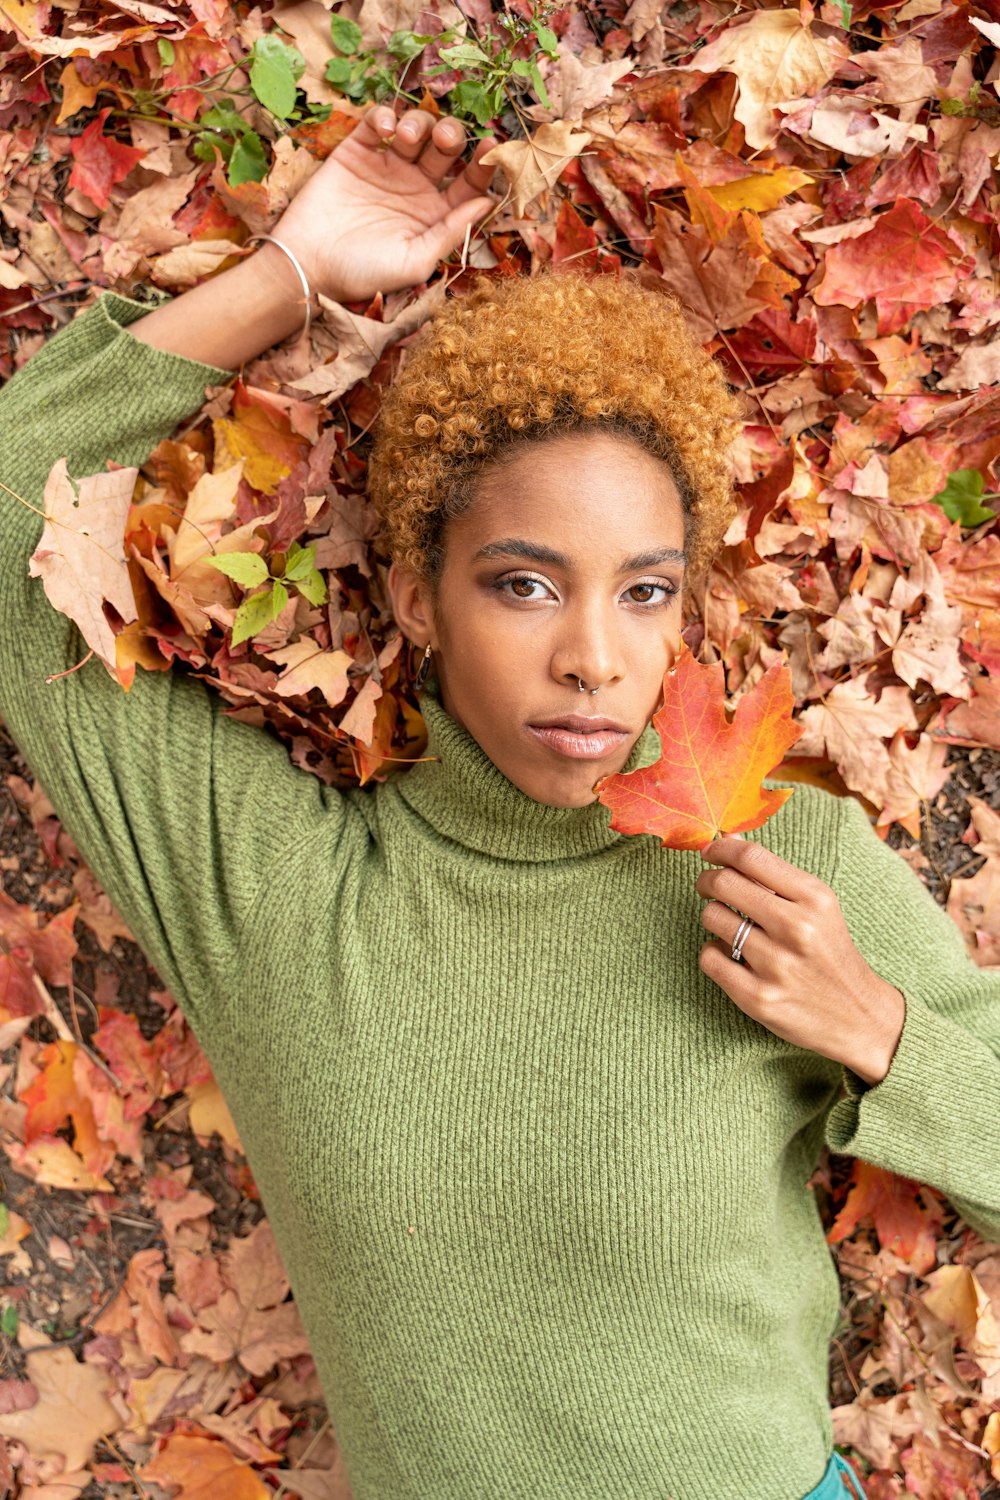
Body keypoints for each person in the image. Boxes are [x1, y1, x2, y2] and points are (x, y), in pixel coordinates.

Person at [0, 104, 997, 1500]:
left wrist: (888, 1036)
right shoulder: (275, 892)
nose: (593, 652)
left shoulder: (778, 861)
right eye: (524, 582)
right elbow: (8, 528)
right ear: (418, 599)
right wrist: (290, 274)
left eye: (643, 591)